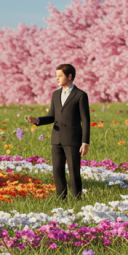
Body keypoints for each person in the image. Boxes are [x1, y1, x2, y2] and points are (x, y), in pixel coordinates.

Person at [25, 64, 90, 200]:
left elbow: (85, 120)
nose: (57, 78)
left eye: (60, 76)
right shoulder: (55, 94)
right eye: (56, 76)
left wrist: (85, 142)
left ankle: (77, 198)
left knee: (74, 171)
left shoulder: (80, 95)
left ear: (69, 76)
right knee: (57, 170)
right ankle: (61, 198)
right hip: (56, 138)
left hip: (72, 139)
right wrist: (38, 120)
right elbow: (52, 116)